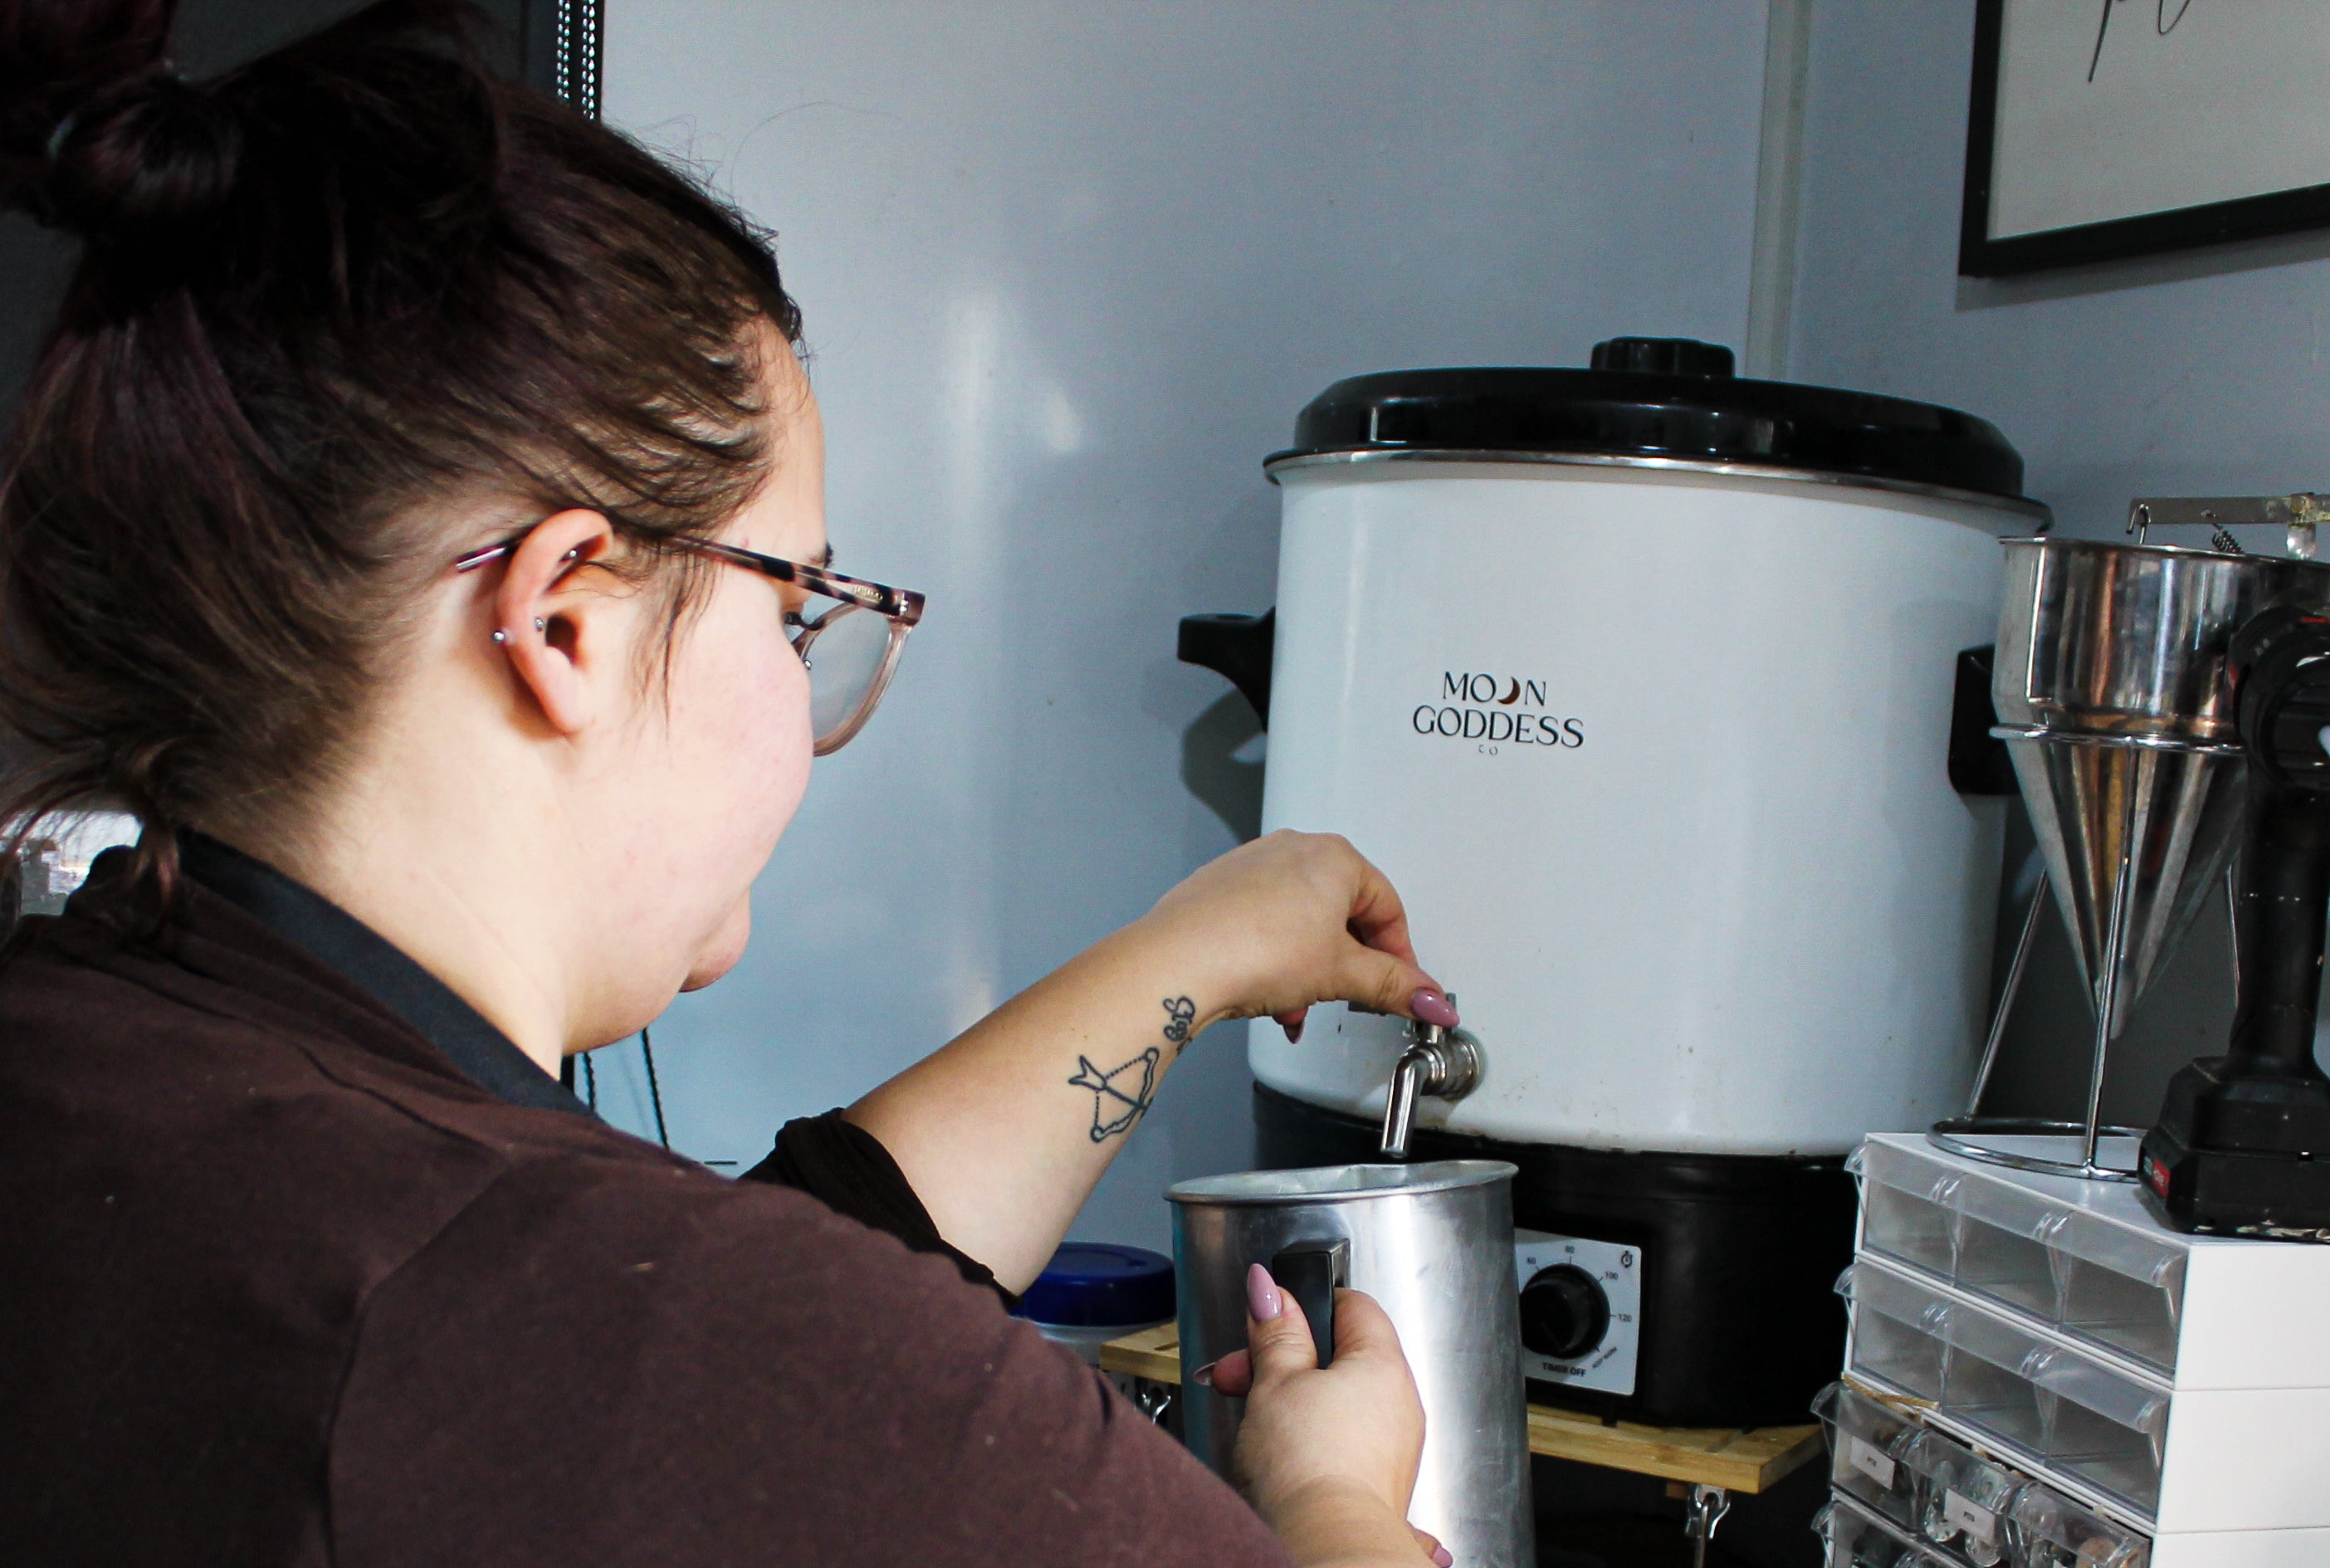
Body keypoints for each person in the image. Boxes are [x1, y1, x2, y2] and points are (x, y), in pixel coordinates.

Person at [0, 2, 1467, 1565]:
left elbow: (760, 1281)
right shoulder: (634, 1341)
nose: (810, 696)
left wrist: (1206, 943)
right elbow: (731, 1343)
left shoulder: (103, 1067)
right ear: (566, 616)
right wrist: (1327, 1503)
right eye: (792, 612)